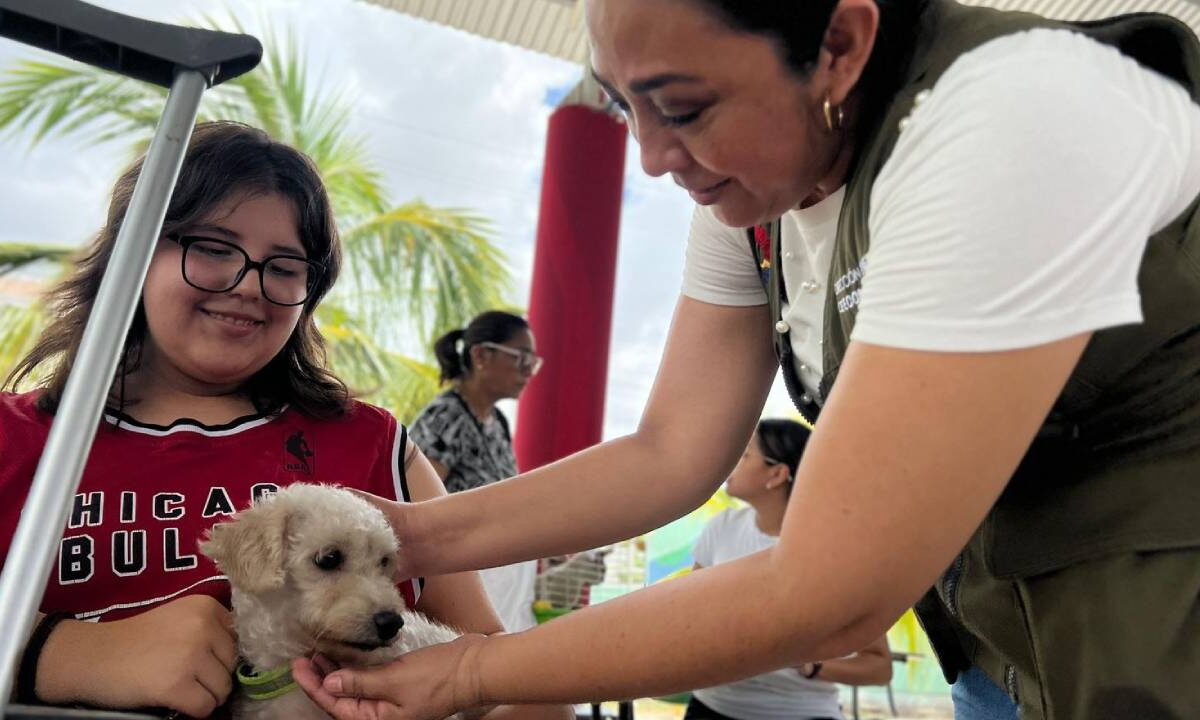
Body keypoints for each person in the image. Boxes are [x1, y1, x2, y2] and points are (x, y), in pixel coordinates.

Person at [293, 2, 1200, 719]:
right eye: (621, 104)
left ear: (841, 44)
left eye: (683, 108)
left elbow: (825, 591)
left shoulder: (1009, 114)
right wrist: (407, 536)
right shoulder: (754, 197)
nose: (651, 157)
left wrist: (473, 672)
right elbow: (669, 452)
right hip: (1006, 658)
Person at [0, 121, 570, 720]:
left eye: (285, 266)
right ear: (134, 253)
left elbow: (513, 691)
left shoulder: (373, 446)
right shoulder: (17, 438)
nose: (249, 285)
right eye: (213, 248)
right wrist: (60, 652)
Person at [687, 419, 891, 720]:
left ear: (777, 474)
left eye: (744, 456)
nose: (732, 462)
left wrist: (810, 666)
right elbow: (691, 617)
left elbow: (878, 667)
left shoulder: (833, 553)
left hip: (798, 713)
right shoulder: (722, 527)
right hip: (710, 708)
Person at [412, 312, 543, 632]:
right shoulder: (447, 416)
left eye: (533, 361)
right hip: (463, 580)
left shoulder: (496, 421)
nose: (529, 371)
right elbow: (418, 507)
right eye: (521, 358)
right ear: (481, 355)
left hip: (498, 573)